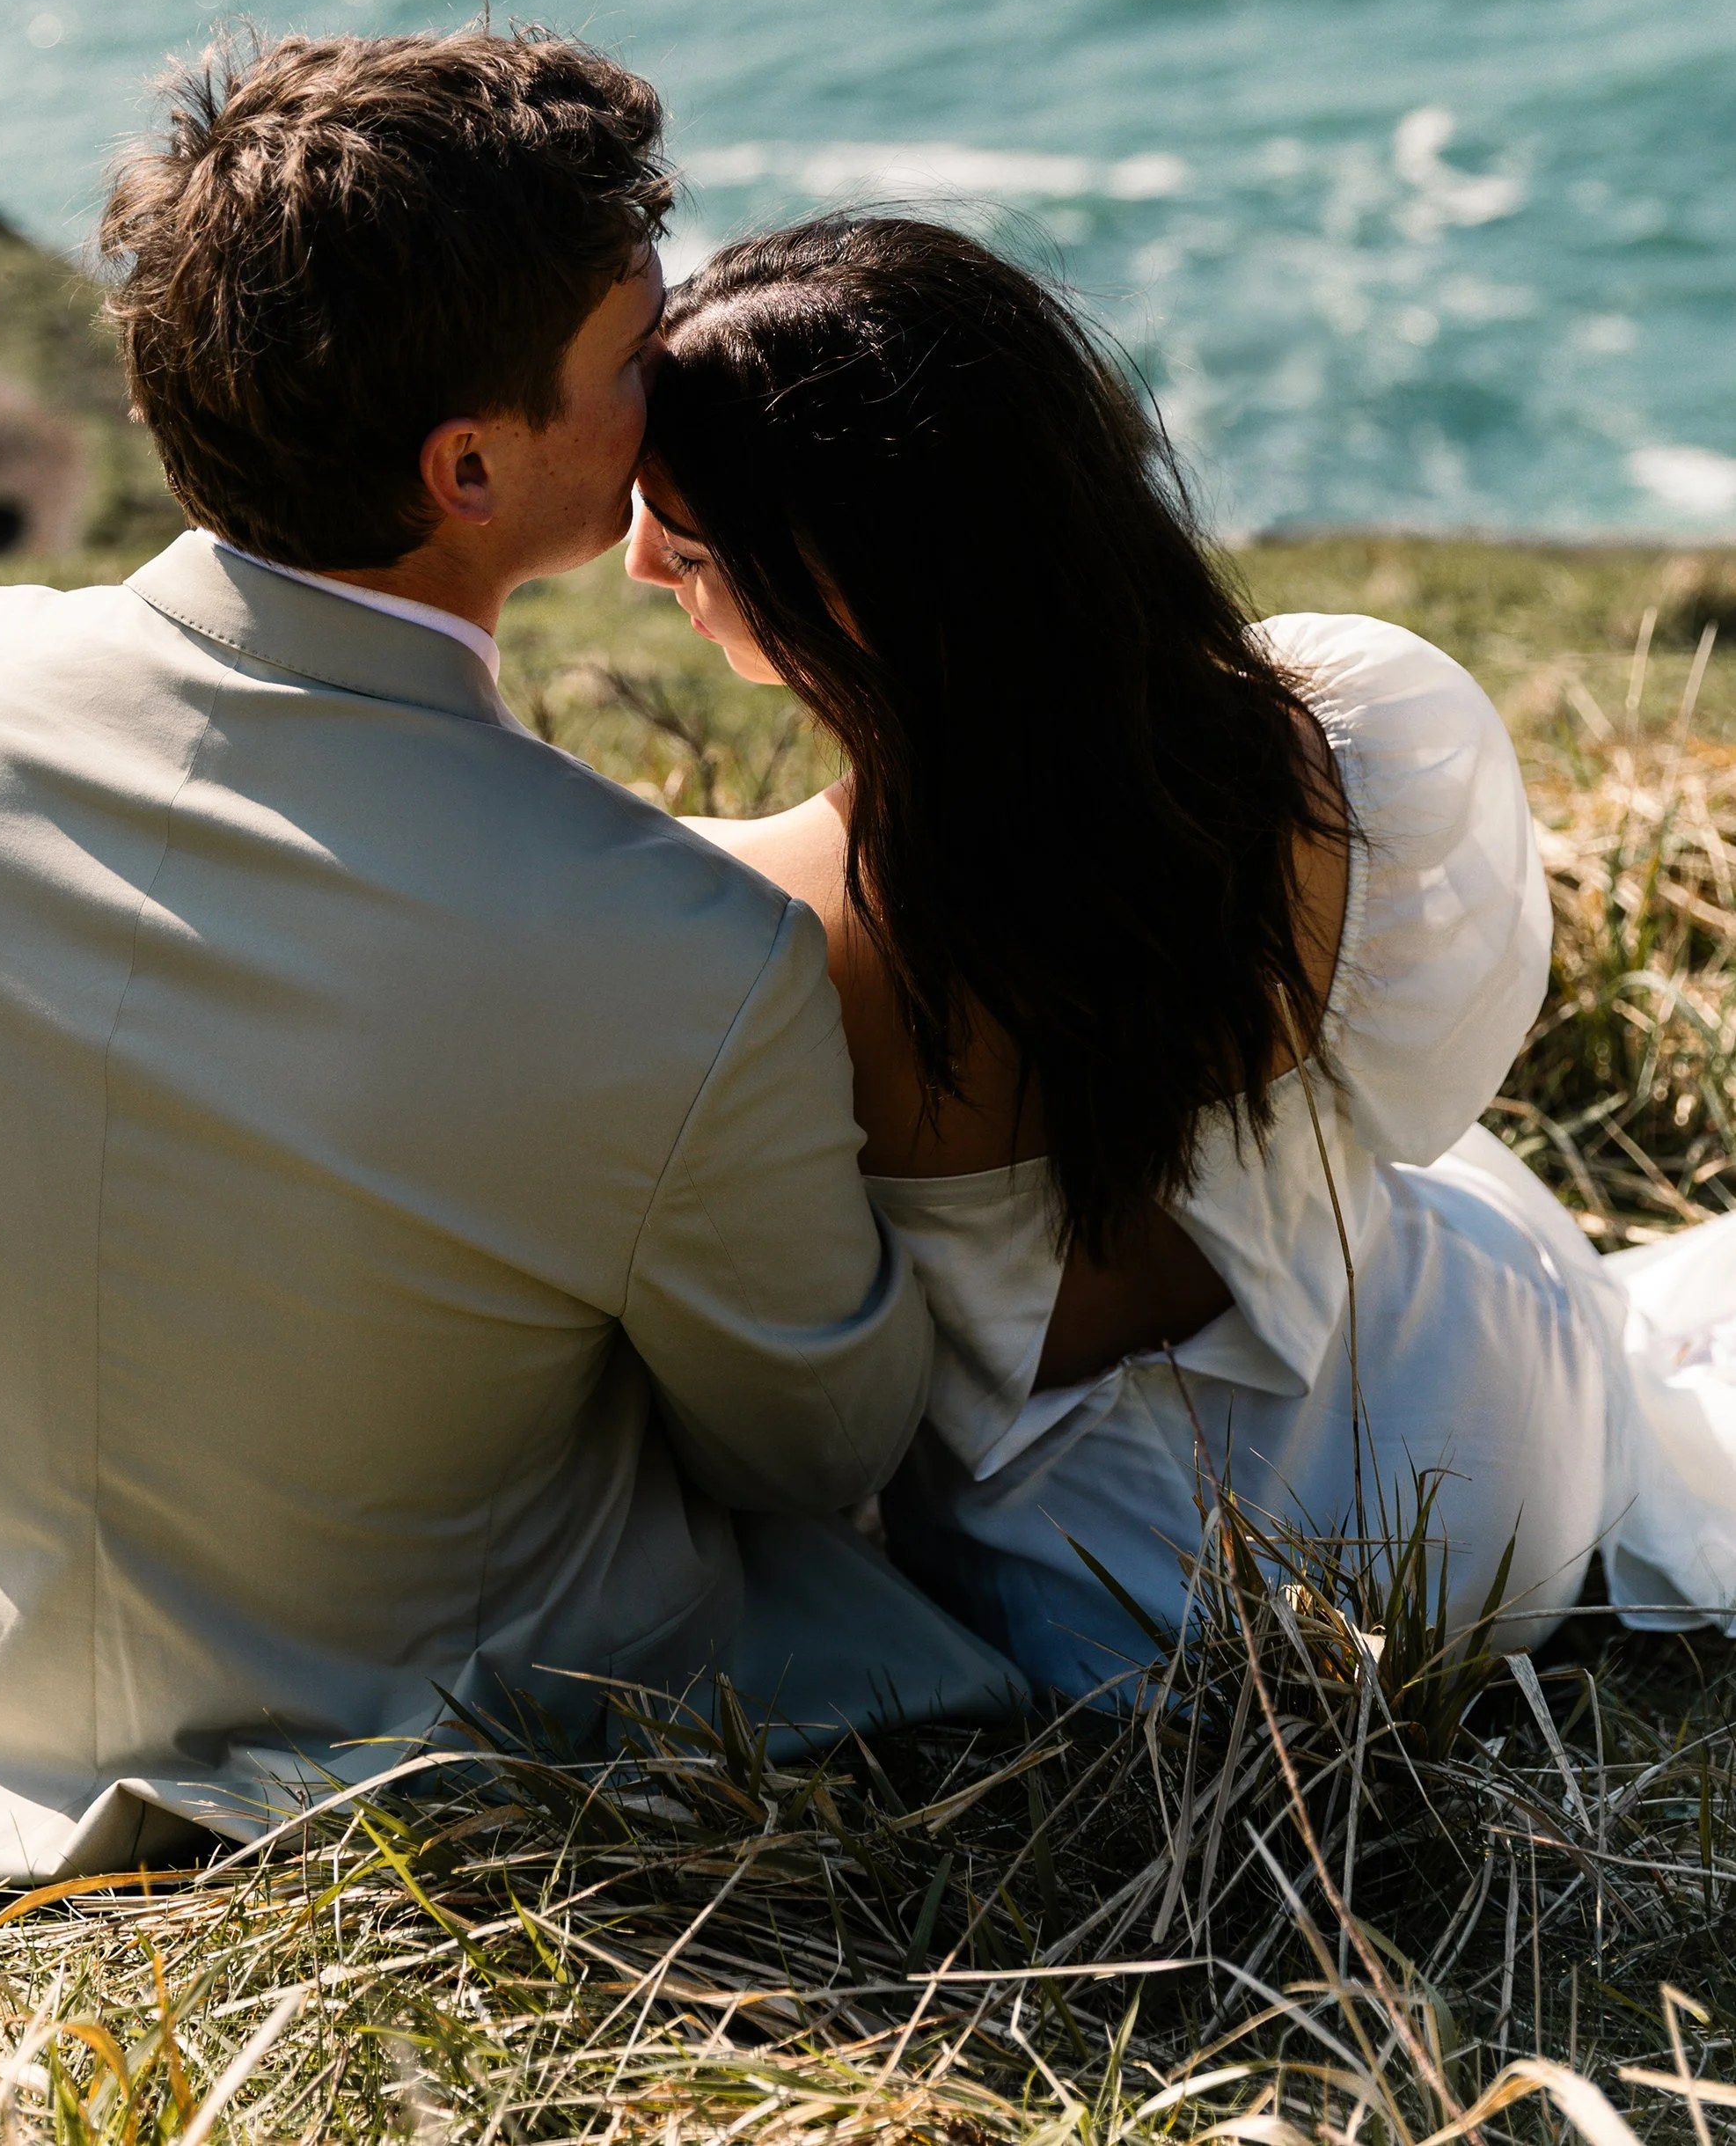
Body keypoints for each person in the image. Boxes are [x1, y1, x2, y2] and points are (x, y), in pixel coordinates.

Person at [0, 36, 1022, 1887]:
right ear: (466, 463)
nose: (676, 377)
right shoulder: (675, 951)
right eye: (634, 355)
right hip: (401, 1714)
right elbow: (822, 1445)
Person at [628, 213, 1736, 1701]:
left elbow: (768, 1387)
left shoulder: (727, 923)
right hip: (1483, 1481)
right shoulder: (1328, 740)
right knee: (1464, 1203)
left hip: (1114, 1616)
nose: (637, 562)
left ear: (844, 579)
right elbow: (1424, 1105)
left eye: (689, 540)